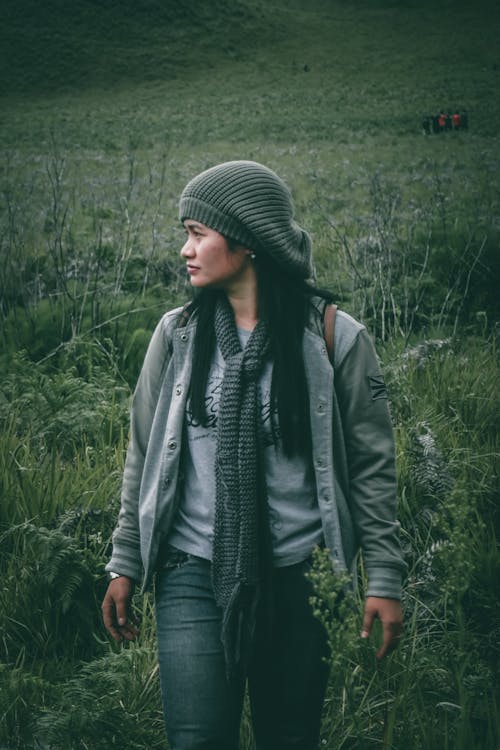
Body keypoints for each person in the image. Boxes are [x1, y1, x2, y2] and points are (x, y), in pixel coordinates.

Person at [102, 160, 406, 750]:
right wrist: (126, 560)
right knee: (196, 740)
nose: (185, 249)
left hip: (300, 574)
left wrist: (385, 577)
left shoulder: (335, 340)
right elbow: (143, 455)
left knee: (288, 738)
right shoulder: (178, 334)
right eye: (186, 234)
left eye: (198, 234)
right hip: (191, 570)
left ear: (245, 243)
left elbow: (373, 469)